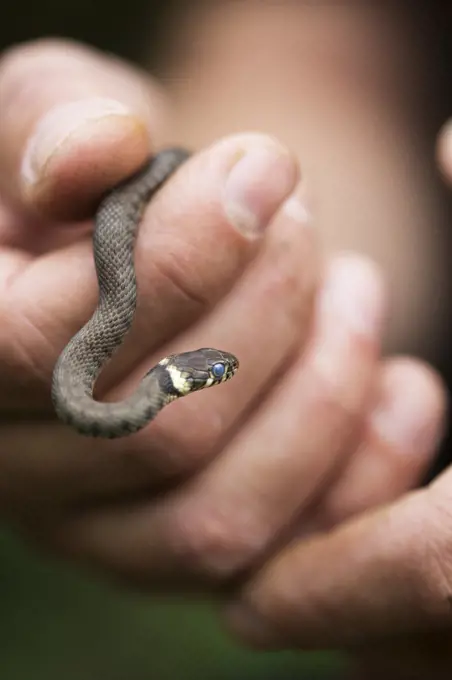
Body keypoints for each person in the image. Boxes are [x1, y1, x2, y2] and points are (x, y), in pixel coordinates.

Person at [0, 31, 449, 679]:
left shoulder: (115, 332)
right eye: (212, 372)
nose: (217, 370)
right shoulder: (118, 313)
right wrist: (244, 239)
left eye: (209, 370)